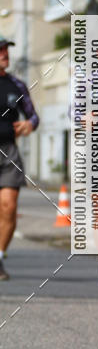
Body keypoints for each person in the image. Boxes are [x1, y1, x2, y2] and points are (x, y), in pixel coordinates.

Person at [0, 36, 39, 280]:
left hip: (9, 151)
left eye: (6, 50)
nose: (5, 54)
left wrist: (29, 124)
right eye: (0, 50)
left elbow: (33, 116)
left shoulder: (17, 85)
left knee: (9, 206)